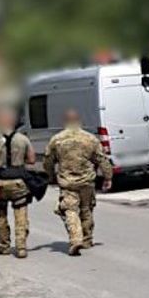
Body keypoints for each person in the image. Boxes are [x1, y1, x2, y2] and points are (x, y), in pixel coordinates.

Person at [44, 109, 112, 256]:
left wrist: (49, 176)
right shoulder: (90, 139)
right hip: (87, 181)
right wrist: (108, 177)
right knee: (86, 209)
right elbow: (102, 159)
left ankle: (75, 239)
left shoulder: (57, 140)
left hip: (67, 182)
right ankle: (87, 239)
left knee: (70, 210)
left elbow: (48, 160)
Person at [0, 107, 35, 259]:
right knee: (21, 214)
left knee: (0, 215)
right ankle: (21, 247)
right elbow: (31, 160)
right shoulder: (23, 139)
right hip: (18, 181)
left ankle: (3, 245)